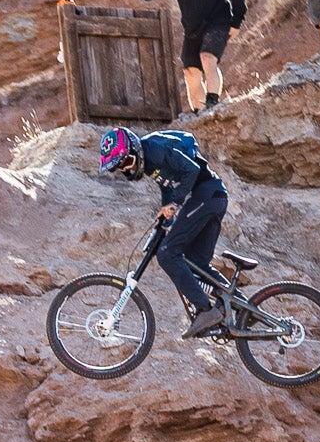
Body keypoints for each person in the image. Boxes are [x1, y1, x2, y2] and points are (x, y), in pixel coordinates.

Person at [97, 125, 231, 337]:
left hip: (206, 194)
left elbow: (192, 170)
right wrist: (165, 220)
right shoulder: (150, 163)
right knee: (197, 264)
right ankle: (240, 306)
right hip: (213, 198)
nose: (125, 169)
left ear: (135, 149)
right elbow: (167, 187)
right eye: (119, 168)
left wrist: (176, 203)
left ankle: (205, 310)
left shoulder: (154, 149)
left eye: (126, 162)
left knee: (168, 254)